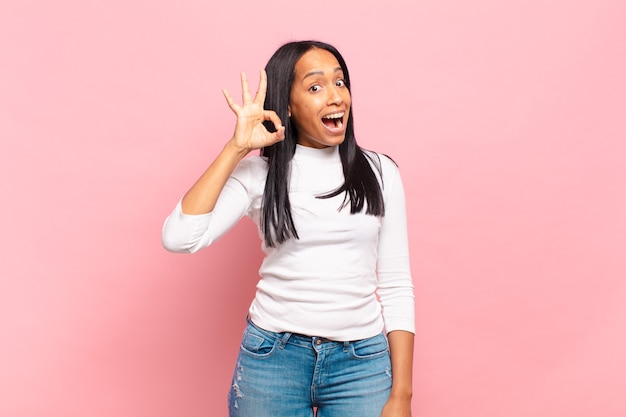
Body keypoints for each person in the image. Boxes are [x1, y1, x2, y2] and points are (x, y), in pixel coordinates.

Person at [162, 40, 415, 417]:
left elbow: (396, 284)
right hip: (273, 359)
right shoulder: (260, 175)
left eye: (340, 83)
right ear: (288, 106)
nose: (335, 97)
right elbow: (179, 237)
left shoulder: (380, 173)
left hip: (361, 362)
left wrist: (402, 396)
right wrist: (236, 148)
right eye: (315, 87)